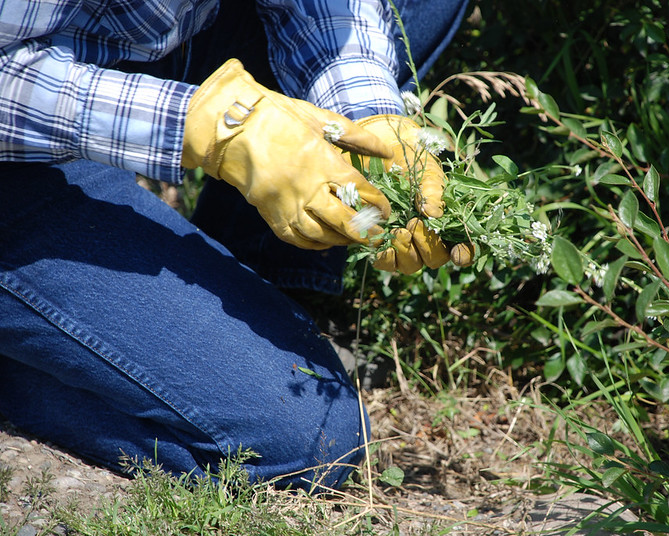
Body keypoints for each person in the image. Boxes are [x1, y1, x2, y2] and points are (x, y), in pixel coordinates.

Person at [0, 0, 469, 491]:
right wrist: (206, 125)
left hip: (110, 44)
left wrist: (366, 119)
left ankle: (270, 287)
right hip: (22, 142)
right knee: (313, 443)